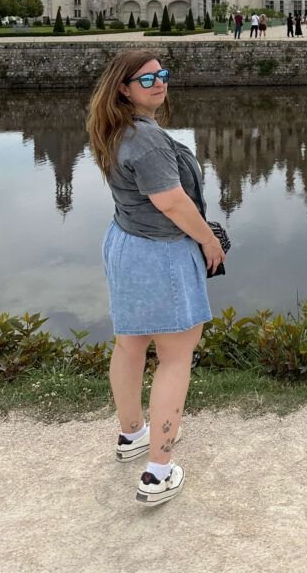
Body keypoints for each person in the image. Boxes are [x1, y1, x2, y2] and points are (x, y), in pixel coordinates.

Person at [87, 49, 225, 507]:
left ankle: (132, 435)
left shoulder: (116, 128)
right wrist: (209, 241)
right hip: (160, 254)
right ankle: (159, 471)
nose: (160, 83)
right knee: (175, 355)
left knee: (130, 343)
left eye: (163, 75)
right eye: (147, 79)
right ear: (123, 88)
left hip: (126, 244)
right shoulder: (146, 141)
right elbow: (172, 203)